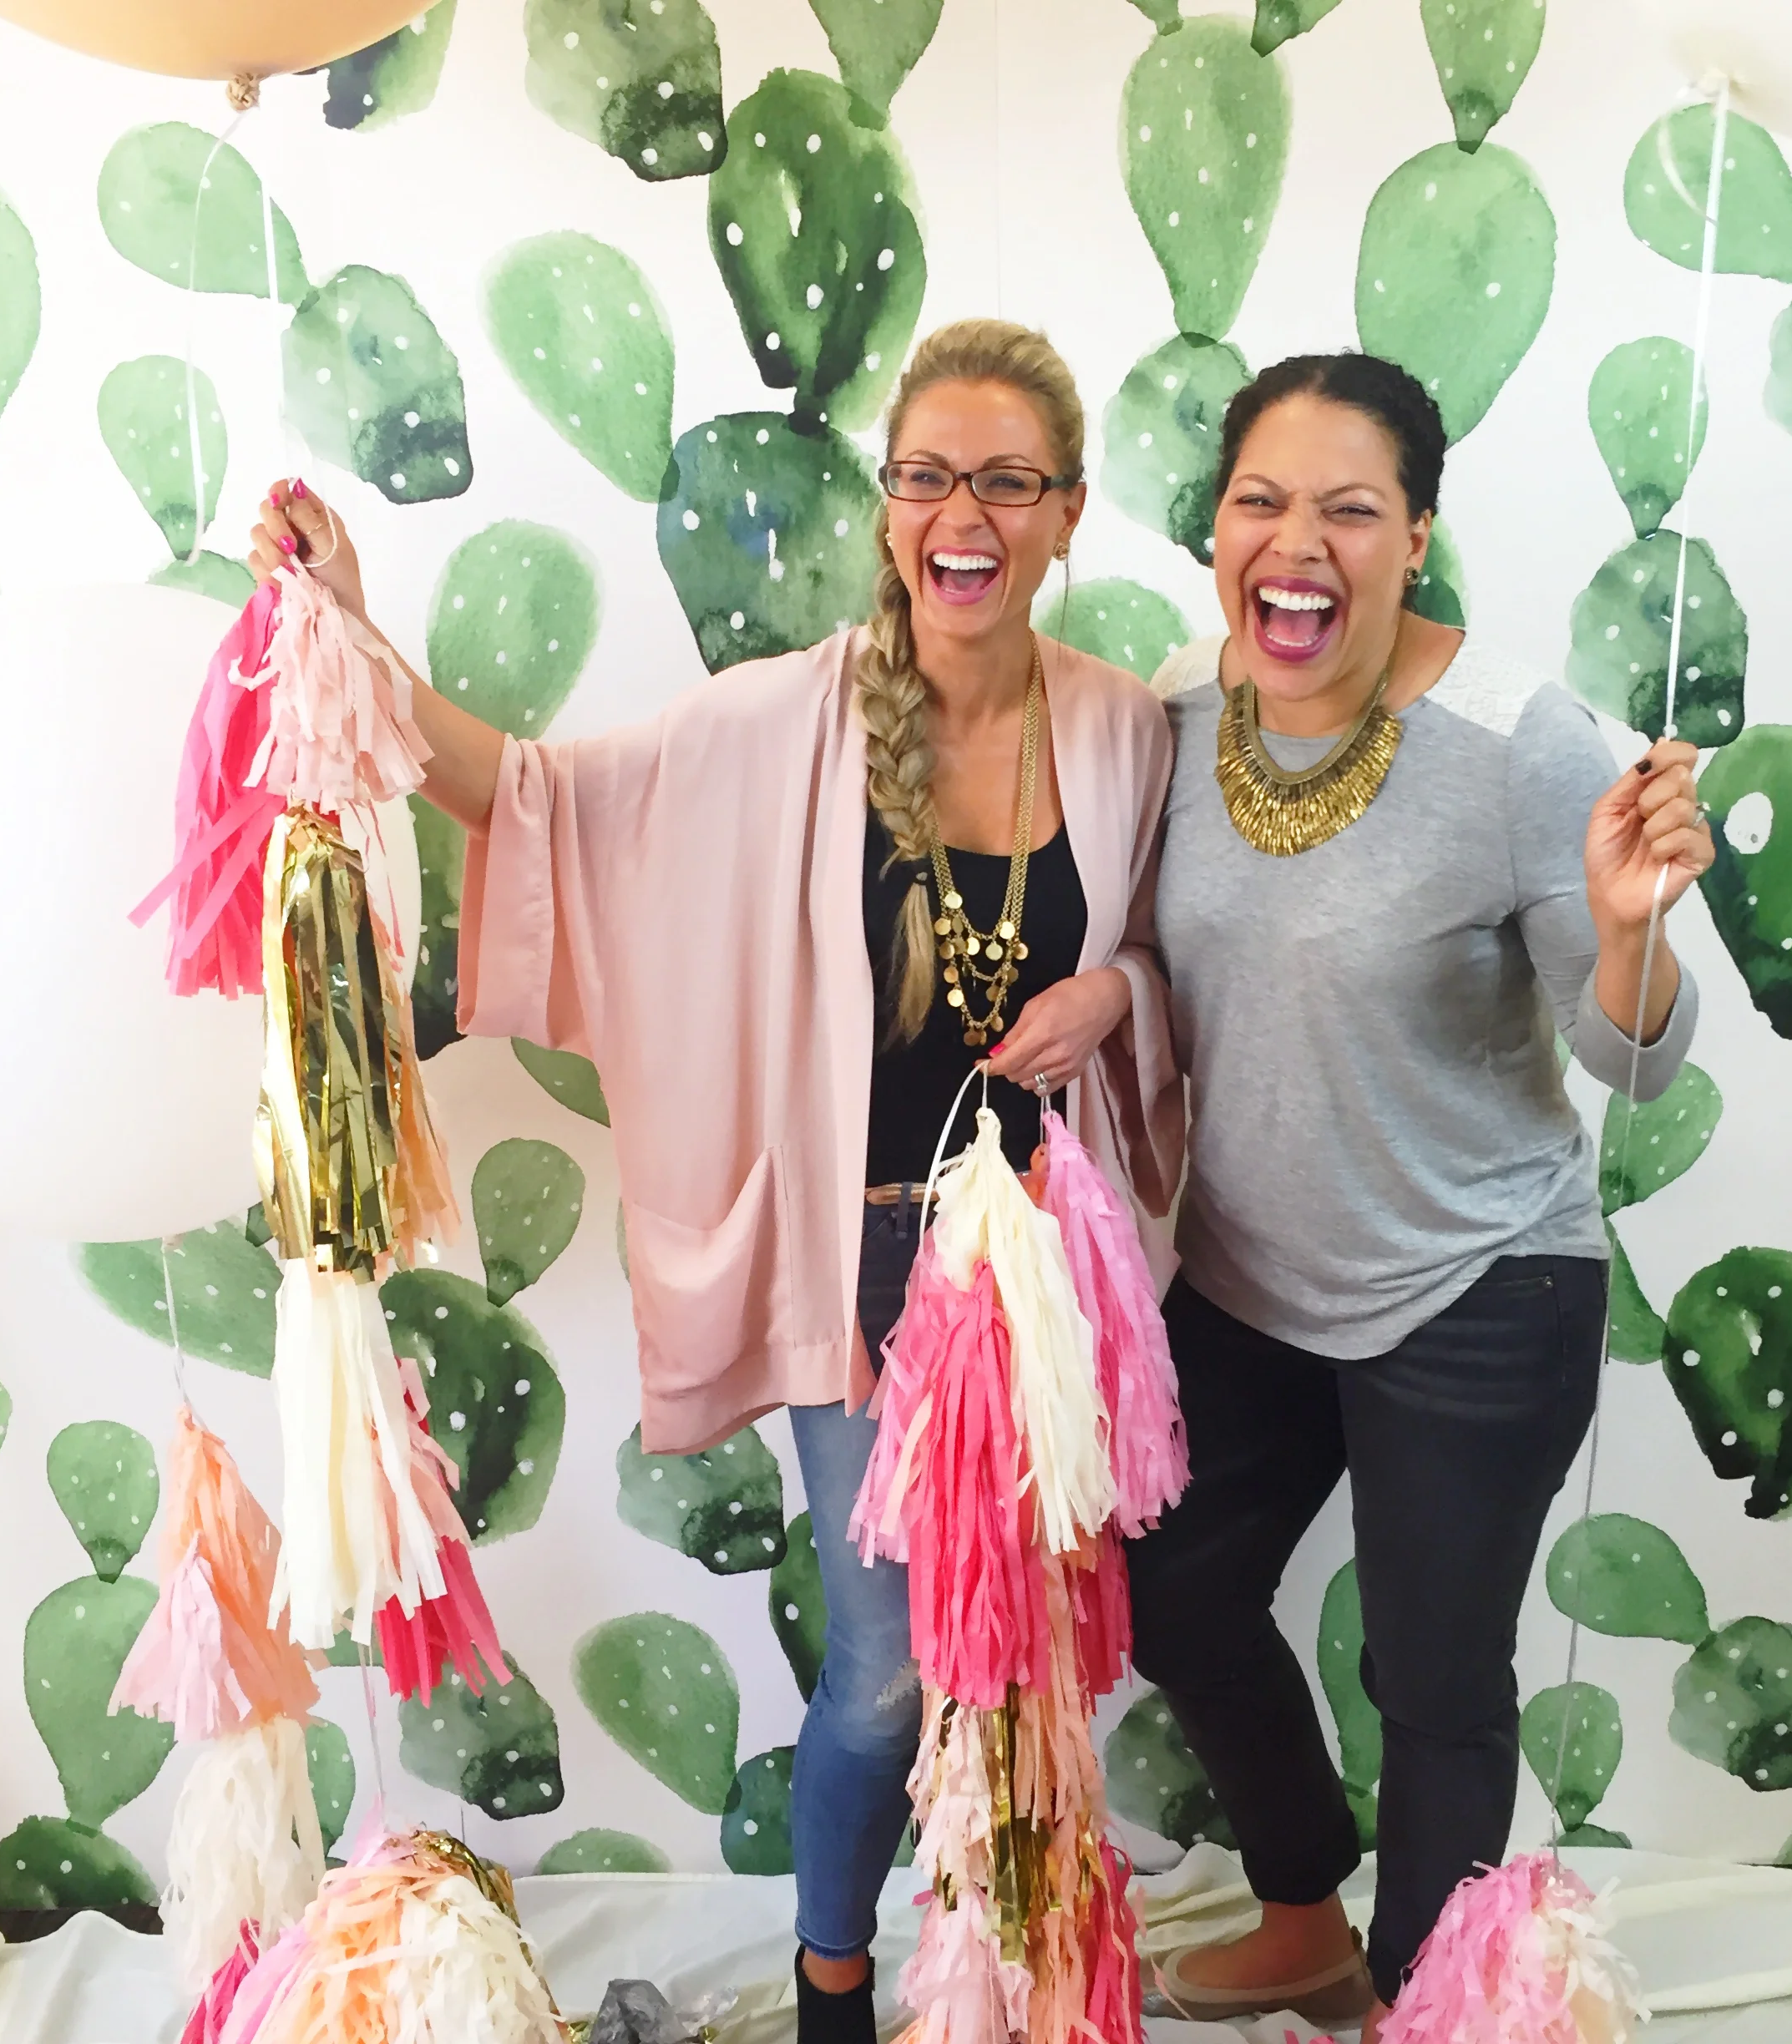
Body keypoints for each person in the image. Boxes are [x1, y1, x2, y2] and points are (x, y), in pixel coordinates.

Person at [249, 318, 1182, 2044]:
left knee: (1027, 1663)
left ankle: (1010, 1976)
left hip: (1047, 1288)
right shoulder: (790, 722)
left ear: (1065, 511)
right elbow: (534, 800)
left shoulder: (1127, 729)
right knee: (887, 1673)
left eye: (1005, 480)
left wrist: (1116, 987)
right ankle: (835, 1988)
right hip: (864, 1267)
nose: (961, 515)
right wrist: (355, 629)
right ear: (889, 501)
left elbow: (1176, 948)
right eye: (926, 475)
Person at [1128, 352, 1713, 2035]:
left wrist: (1626, 933)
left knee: (1434, 1676)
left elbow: (1634, 1063)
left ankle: (1423, 2008)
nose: (1296, 544)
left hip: (1478, 1285)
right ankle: (1305, 1915)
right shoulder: (1175, 708)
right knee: (1170, 1592)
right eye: (1260, 501)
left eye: (1349, 509)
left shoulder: (1520, 743)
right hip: (1250, 1277)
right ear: (1217, 527)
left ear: (1416, 536)